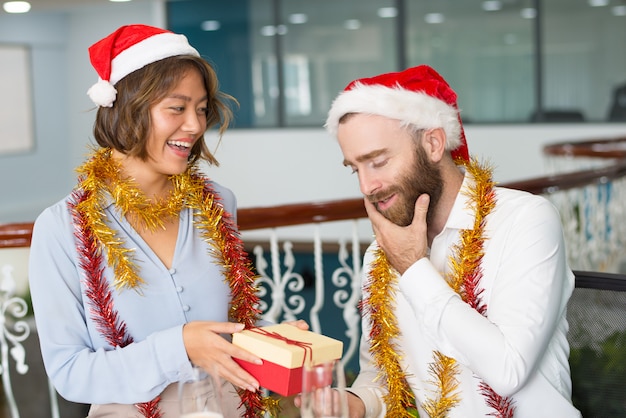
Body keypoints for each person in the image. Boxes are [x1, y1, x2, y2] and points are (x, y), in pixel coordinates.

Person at [28, 24, 301, 418]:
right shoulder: (62, 228)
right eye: (177, 108)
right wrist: (179, 346)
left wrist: (273, 341)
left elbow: (223, 325)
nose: (194, 125)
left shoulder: (220, 203)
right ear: (127, 108)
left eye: (202, 109)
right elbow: (70, 373)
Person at [324, 65, 581, 417]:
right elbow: (384, 374)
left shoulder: (525, 220)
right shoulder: (382, 256)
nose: (366, 186)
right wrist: (354, 403)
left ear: (433, 143)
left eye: (378, 161)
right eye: (356, 168)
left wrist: (413, 268)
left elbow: (509, 370)